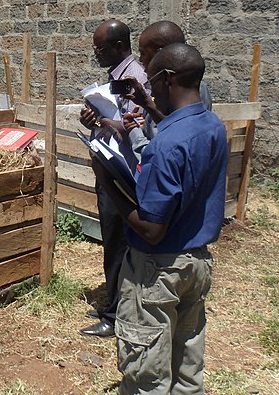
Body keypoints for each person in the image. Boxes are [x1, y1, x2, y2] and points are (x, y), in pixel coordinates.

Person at [95, 43, 228, 394]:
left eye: (151, 80)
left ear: (168, 79)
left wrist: (108, 181)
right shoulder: (212, 125)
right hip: (196, 265)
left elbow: (152, 229)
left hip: (158, 270)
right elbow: (178, 132)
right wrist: (148, 106)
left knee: (147, 375)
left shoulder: (164, 147)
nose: (147, 85)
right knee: (186, 366)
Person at [78, 19, 149, 338]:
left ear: (120, 46)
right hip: (113, 162)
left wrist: (103, 119)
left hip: (124, 169)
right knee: (114, 239)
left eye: (101, 48)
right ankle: (116, 302)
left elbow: (135, 126)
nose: (96, 53)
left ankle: (115, 315)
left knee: (118, 240)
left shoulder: (133, 77)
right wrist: (93, 120)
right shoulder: (119, 76)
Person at [123, 21, 213, 155]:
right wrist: (145, 114)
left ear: (159, 53)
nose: (141, 60)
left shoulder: (186, 93)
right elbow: (169, 127)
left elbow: (164, 148)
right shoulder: (184, 90)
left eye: (143, 53)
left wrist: (135, 133)